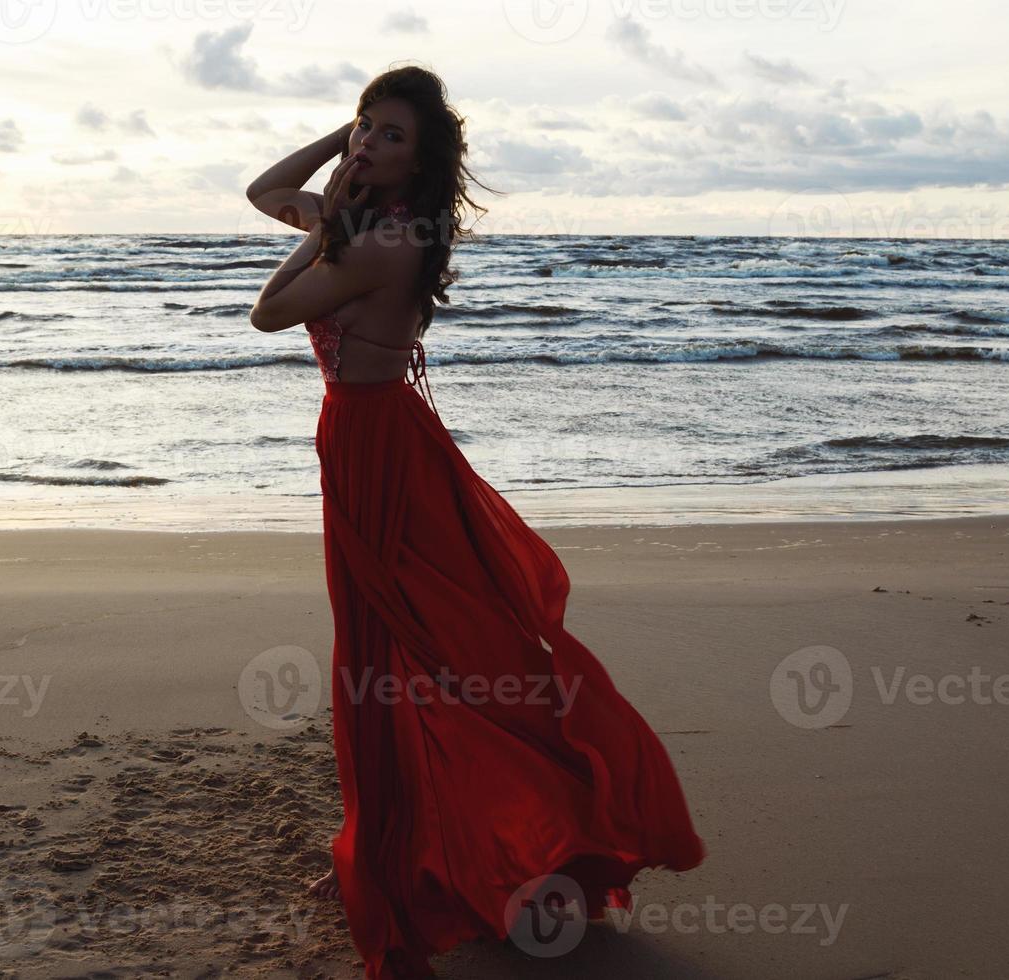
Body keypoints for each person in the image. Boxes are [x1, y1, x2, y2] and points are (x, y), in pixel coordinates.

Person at [245, 64, 705, 980]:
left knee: (415, 649)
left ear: (422, 167)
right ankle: (457, 844)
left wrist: (332, 213)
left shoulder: (383, 241)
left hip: (381, 452)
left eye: (392, 136)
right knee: (406, 649)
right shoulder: (368, 223)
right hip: (367, 441)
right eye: (367, 126)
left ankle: (513, 838)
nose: (372, 143)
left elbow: (267, 312)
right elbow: (263, 192)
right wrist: (343, 153)